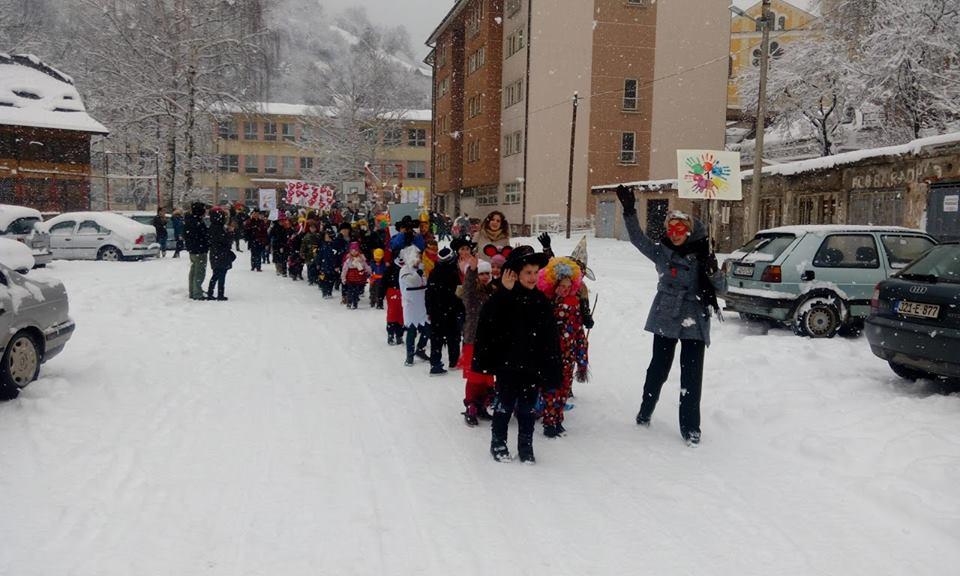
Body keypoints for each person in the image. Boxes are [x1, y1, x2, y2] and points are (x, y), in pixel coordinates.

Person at [615, 185, 725, 446]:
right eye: (671, 229)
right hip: (666, 314)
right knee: (658, 368)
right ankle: (646, 410)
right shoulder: (660, 251)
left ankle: (690, 427)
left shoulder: (704, 254)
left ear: (689, 231)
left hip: (695, 317)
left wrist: (712, 272)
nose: (675, 235)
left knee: (691, 375)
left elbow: (722, 289)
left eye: (680, 229)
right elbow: (637, 239)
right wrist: (630, 211)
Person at [473, 245, 561, 464]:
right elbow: (488, 322)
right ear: (515, 274)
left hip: (532, 366)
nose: (532, 277)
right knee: (504, 405)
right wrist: (504, 291)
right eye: (527, 273)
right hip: (508, 365)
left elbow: (550, 337)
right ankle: (498, 443)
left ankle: (526, 446)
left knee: (527, 408)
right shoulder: (504, 297)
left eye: (535, 272)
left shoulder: (540, 301)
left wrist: (551, 367)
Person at [536, 257, 590, 438]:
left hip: (569, 353)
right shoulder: (546, 304)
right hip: (551, 353)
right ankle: (549, 421)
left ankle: (558, 419)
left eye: (568, 286)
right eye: (561, 285)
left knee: (564, 388)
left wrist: (582, 357)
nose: (565, 289)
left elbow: (579, 332)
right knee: (551, 388)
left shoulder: (575, 305)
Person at [459, 256, 496, 426]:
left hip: (490, 340)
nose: (485, 276)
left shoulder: (493, 291)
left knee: (487, 376)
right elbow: (467, 289)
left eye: (487, 273)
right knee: (475, 376)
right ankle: (471, 405)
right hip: (473, 339)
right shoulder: (472, 293)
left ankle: (482, 404)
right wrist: (472, 271)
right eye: (482, 273)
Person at [425, 244, 466, 376]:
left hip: (437, 311)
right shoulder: (455, 272)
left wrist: (429, 310)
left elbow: (428, 293)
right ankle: (453, 362)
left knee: (436, 338)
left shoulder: (433, 272)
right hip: (452, 311)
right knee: (453, 337)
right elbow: (459, 293)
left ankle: (435, 364)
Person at [398, 245, 430, 367]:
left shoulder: (421, 268)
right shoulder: (404, 270)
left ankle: (420, 349)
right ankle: (409, 355)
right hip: (411, 305)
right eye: (416, 256)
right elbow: (412, 282)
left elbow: (425, 282)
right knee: (411, 331)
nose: (418, 259)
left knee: (427, 329)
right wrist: (419, 273)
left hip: (421, 304)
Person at [207, 208, 235, 301]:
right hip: (222, 253)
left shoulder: (212, 226)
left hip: (215, 253)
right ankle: (220, 293)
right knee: (222, 273)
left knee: (216, 274)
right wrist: (230, 233)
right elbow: (226, 241)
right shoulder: (219, 228)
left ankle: (211, 292)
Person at [183, 202, 210, 301]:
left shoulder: (189, 220)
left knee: (194, 270)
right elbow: (202, 236)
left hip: (193, 250)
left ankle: (192, 291)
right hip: (200, 250)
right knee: (199, 272)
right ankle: (197, 293)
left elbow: (187, 235)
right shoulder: (197, 222)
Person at [341, 241, 371, 309]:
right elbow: (344, 269)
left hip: (358, 278)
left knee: (356, 292)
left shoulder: (361, 259)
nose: (354, 252)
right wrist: (343, 277)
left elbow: (366, 266)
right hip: (350, 278)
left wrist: (369, 272)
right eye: (352, 250)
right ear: (350, 251)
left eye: (356, 250)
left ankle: (355, 303)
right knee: (350, 291)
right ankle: (349, 302)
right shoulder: (348, 260)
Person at [383, 256, 405, 345]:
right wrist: (381, 295)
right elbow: (384, 282)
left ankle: (399, 335)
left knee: (402, 315)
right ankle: (391, 334)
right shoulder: (391, 268)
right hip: (392, 291)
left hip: (404, 292)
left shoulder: (408, 268)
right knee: (392, 314)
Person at [315, 228, 340, 299]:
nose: (326, 238)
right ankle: (324, 292)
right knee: (323, 279)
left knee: (331, 280)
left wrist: (337, 265)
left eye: (328, 236)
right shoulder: (323, 246)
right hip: (323, 266)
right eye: (325, 236)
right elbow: (319, 255)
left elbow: (337, 257)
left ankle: (329, 292)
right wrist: (318, 263)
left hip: (332, 266)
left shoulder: (334, 246)